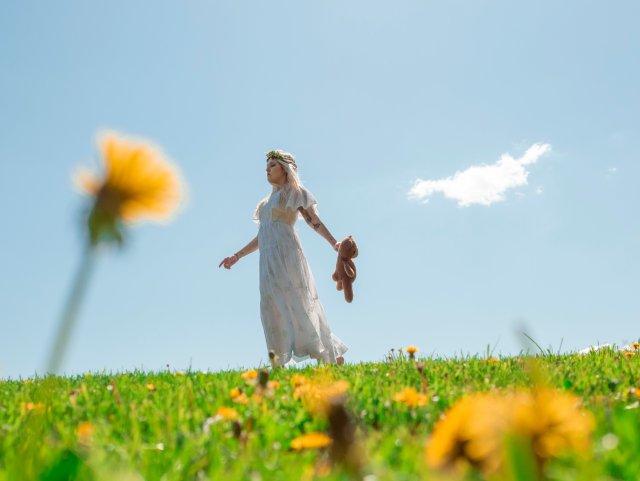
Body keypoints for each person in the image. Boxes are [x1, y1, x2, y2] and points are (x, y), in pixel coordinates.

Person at [219, 150, 348, 367]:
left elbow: (312, 220)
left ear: (285, 169)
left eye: (273, 166)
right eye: (266, 167)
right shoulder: (266, 204)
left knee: (298, 302)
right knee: (272, 305)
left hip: (287, 254)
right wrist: (237, 256)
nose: (267, 170)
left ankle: (329, 355)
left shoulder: (294, 192)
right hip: (267, 259)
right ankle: (277, 362)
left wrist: (333, 242)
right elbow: (262, 235)